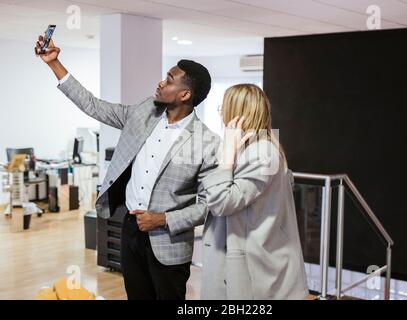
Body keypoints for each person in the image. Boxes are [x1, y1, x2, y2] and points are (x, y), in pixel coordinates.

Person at [35, 36, 219, 300]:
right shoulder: (145, 111)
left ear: (185, 94)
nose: (161, 82)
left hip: (169, 242)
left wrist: (164, 219)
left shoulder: (206, 141)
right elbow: (93, 105)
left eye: (169, 80)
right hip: (131, 228)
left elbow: (208, 204)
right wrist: (55, 64)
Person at [200, 84, 309, 300]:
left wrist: (226, 162)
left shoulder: (262, 152)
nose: (221, 112)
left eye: (224, 106)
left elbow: (221, 203)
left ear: (237, 113)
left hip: (256, 268)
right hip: (251, 259)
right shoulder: (253, 147)